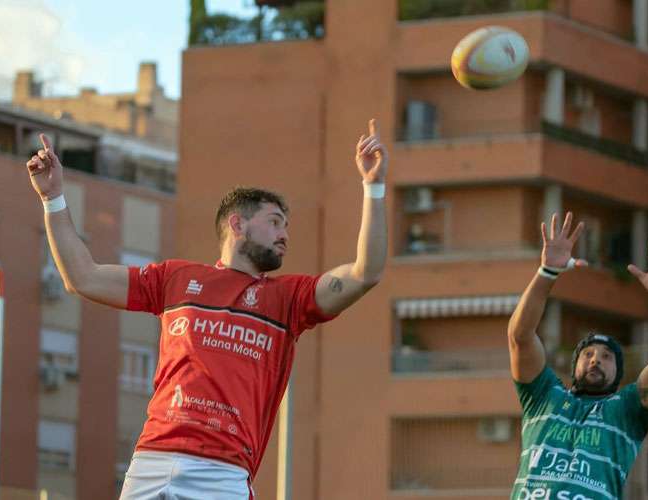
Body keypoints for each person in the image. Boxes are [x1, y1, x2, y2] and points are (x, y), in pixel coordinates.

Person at [26, 120, 389, 499]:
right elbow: (82, 277)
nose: (285, 235)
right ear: (238, 224)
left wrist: (373, 186)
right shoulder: (175, 278)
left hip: (222, 473)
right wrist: (53, 198)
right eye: (275, 222)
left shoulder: (289, 299)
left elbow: (366, 272)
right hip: (151, 460)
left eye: (286, 226)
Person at [507, 212, 648, 500]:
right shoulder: (543, 396)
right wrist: (546, 273)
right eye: (587, 354)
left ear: (618, 374)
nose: (596, 359)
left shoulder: (625, 412)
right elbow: (519, 337)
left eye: (607, 356)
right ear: (574, 365)